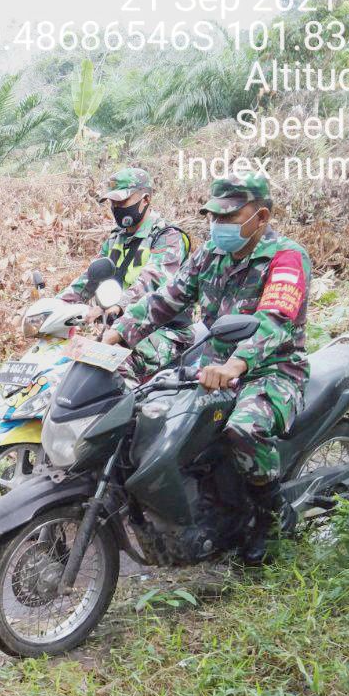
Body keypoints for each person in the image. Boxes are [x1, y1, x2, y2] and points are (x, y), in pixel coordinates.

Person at [101, 173, 311, 564]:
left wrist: (236, 363)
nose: (218, 225)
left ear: (261, 217)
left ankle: (272, 516)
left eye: (229, 217)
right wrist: (116, 335)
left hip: (272, 370)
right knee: (156, 416)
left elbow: (275, 320)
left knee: (244, 429)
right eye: (214, 216)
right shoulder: (210, 253)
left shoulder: (286, 257)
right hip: (212, 368)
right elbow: (167, 298)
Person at [61, 167, 194, 371]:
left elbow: (153, 280)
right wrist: (57, 305)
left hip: (165, 331)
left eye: (122, 202)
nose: (116, 208)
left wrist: (118, 304)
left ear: (146, 199)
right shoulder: (117, 238)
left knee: (112, 369)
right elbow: (89, 278)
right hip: (122, 327)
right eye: (113, 203)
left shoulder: (168, 237)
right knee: (68, 364)